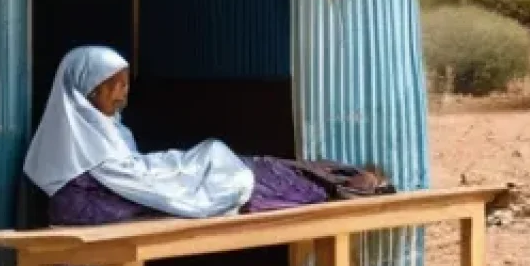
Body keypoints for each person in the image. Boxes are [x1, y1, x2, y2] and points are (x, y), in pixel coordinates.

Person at [24, 46, 328, 226]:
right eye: (113, 86)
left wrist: (182, 165)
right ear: (86, 91)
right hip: (130, 204)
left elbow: (137, 173)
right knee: (245, 174)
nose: (123, 95)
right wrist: (187, 168)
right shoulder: (79, 168)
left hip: (152, 187)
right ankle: (333, 181)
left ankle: (334, 177)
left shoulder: (106, 131)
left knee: (250, 167)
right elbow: (136, 183)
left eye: (126, 84)